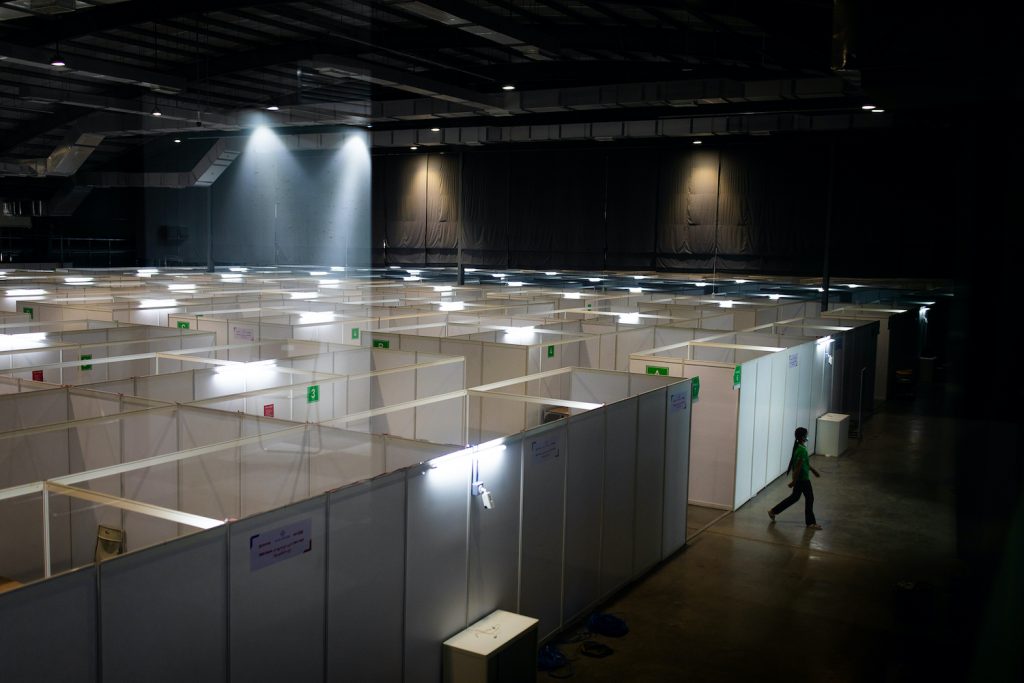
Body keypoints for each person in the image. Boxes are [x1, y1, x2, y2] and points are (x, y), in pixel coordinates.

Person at [768, 427, 822, 529]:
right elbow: (797, 467)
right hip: (803, 480)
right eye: (806, 435)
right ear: (803, 437)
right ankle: (811, 523)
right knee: (809, 498)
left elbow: (804, 463)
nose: (807, 437)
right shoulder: (801, 450)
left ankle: (773, 511)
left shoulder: (801, 448)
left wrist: (813, 470)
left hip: (802, 479)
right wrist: (794, 481)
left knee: (794, 498)